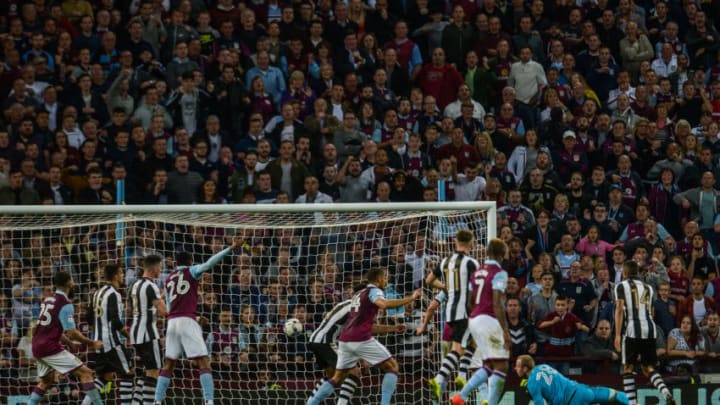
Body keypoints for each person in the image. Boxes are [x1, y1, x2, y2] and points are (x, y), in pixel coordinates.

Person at [306, 268, 422, 405]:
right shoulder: (374, 291)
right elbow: (383, 304)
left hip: (343, 340)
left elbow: (364, 325)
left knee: (337, 377)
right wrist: (411, 298)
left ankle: (312, 402)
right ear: (378, 280)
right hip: (351, 339)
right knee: (392, 367)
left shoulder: (357, 297)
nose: (386, 280)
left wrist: (392, 328)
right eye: (385, 278)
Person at [153, 237, 244, 405]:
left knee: (169, 364)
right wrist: (230, 248)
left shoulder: (168, 279)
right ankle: (209, 401)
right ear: (190, 261)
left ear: (175, 262)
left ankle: (157, 401)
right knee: (203, 361)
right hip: (187, 320)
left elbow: (168, 306)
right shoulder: (192, 271)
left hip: (172, 322)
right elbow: (209, 264)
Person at [28, 271, 104, 405]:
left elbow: (51, 329)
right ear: (69, 282)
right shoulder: (65, 303)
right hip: (49, 347)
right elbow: (72, 332)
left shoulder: (48, 299)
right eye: (72, 280)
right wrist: (91, 343)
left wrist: (69, 343)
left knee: (46, 381)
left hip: (37, 346)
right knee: (86, 373)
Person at [451, 238, 510, 405]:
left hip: (474, 318)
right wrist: (505, 331)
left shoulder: (476, 272)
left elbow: (469, 301)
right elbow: (497, 302)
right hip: (489, 318)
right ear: (502, 253)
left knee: (489, 364)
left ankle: (460, 397)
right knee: (502, 366)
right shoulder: (499, 273)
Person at [426, 230, 480, 401]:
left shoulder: (445, 262)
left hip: (450, 311)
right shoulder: (472, 262)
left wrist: (446, 287)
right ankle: (439, 378)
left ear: (456, 242)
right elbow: (474, 290)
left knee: (472, 342)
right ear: (471, 243)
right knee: (458, 349)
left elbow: (429, 281)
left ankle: (462, 376)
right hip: (466, 310)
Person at [614, 260, 677, 405]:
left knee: (628, 368)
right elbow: (652, 311)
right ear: (637, 272)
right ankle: (666, 392)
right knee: (648, 367)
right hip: (650, 329)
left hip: (632, 329)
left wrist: (617, 335)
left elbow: (619, 309)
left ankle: (632, 403)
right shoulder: (648, 288)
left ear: (624, 272)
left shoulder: (621, 286)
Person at [88, 264, 133, 404]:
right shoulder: (114, 294)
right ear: (115, 276)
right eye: (121, 273)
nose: (123, 276)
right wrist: (128, 336)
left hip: (98, 342)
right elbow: (115, 320)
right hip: (111, 342)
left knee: (105, 377)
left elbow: (88, 316)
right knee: (128, 372)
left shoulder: (97, 293)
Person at [128, 255, 168, 404]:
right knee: (154, 372)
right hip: (148, 334)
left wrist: (161, 295)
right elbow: (164, 311)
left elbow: (140, 306)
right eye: (160, 267)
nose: (161, 270)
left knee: (147, 371)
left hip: (135, 333)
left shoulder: (134, 285)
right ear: (154, 269)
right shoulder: (152, 286)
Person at [515, 355, 629, 405]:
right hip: (582, 390)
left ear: (525, 368)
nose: (515, 368)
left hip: (572, 402)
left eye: (518, 366)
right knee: (615, 394)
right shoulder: (543, 366)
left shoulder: (531, 383)